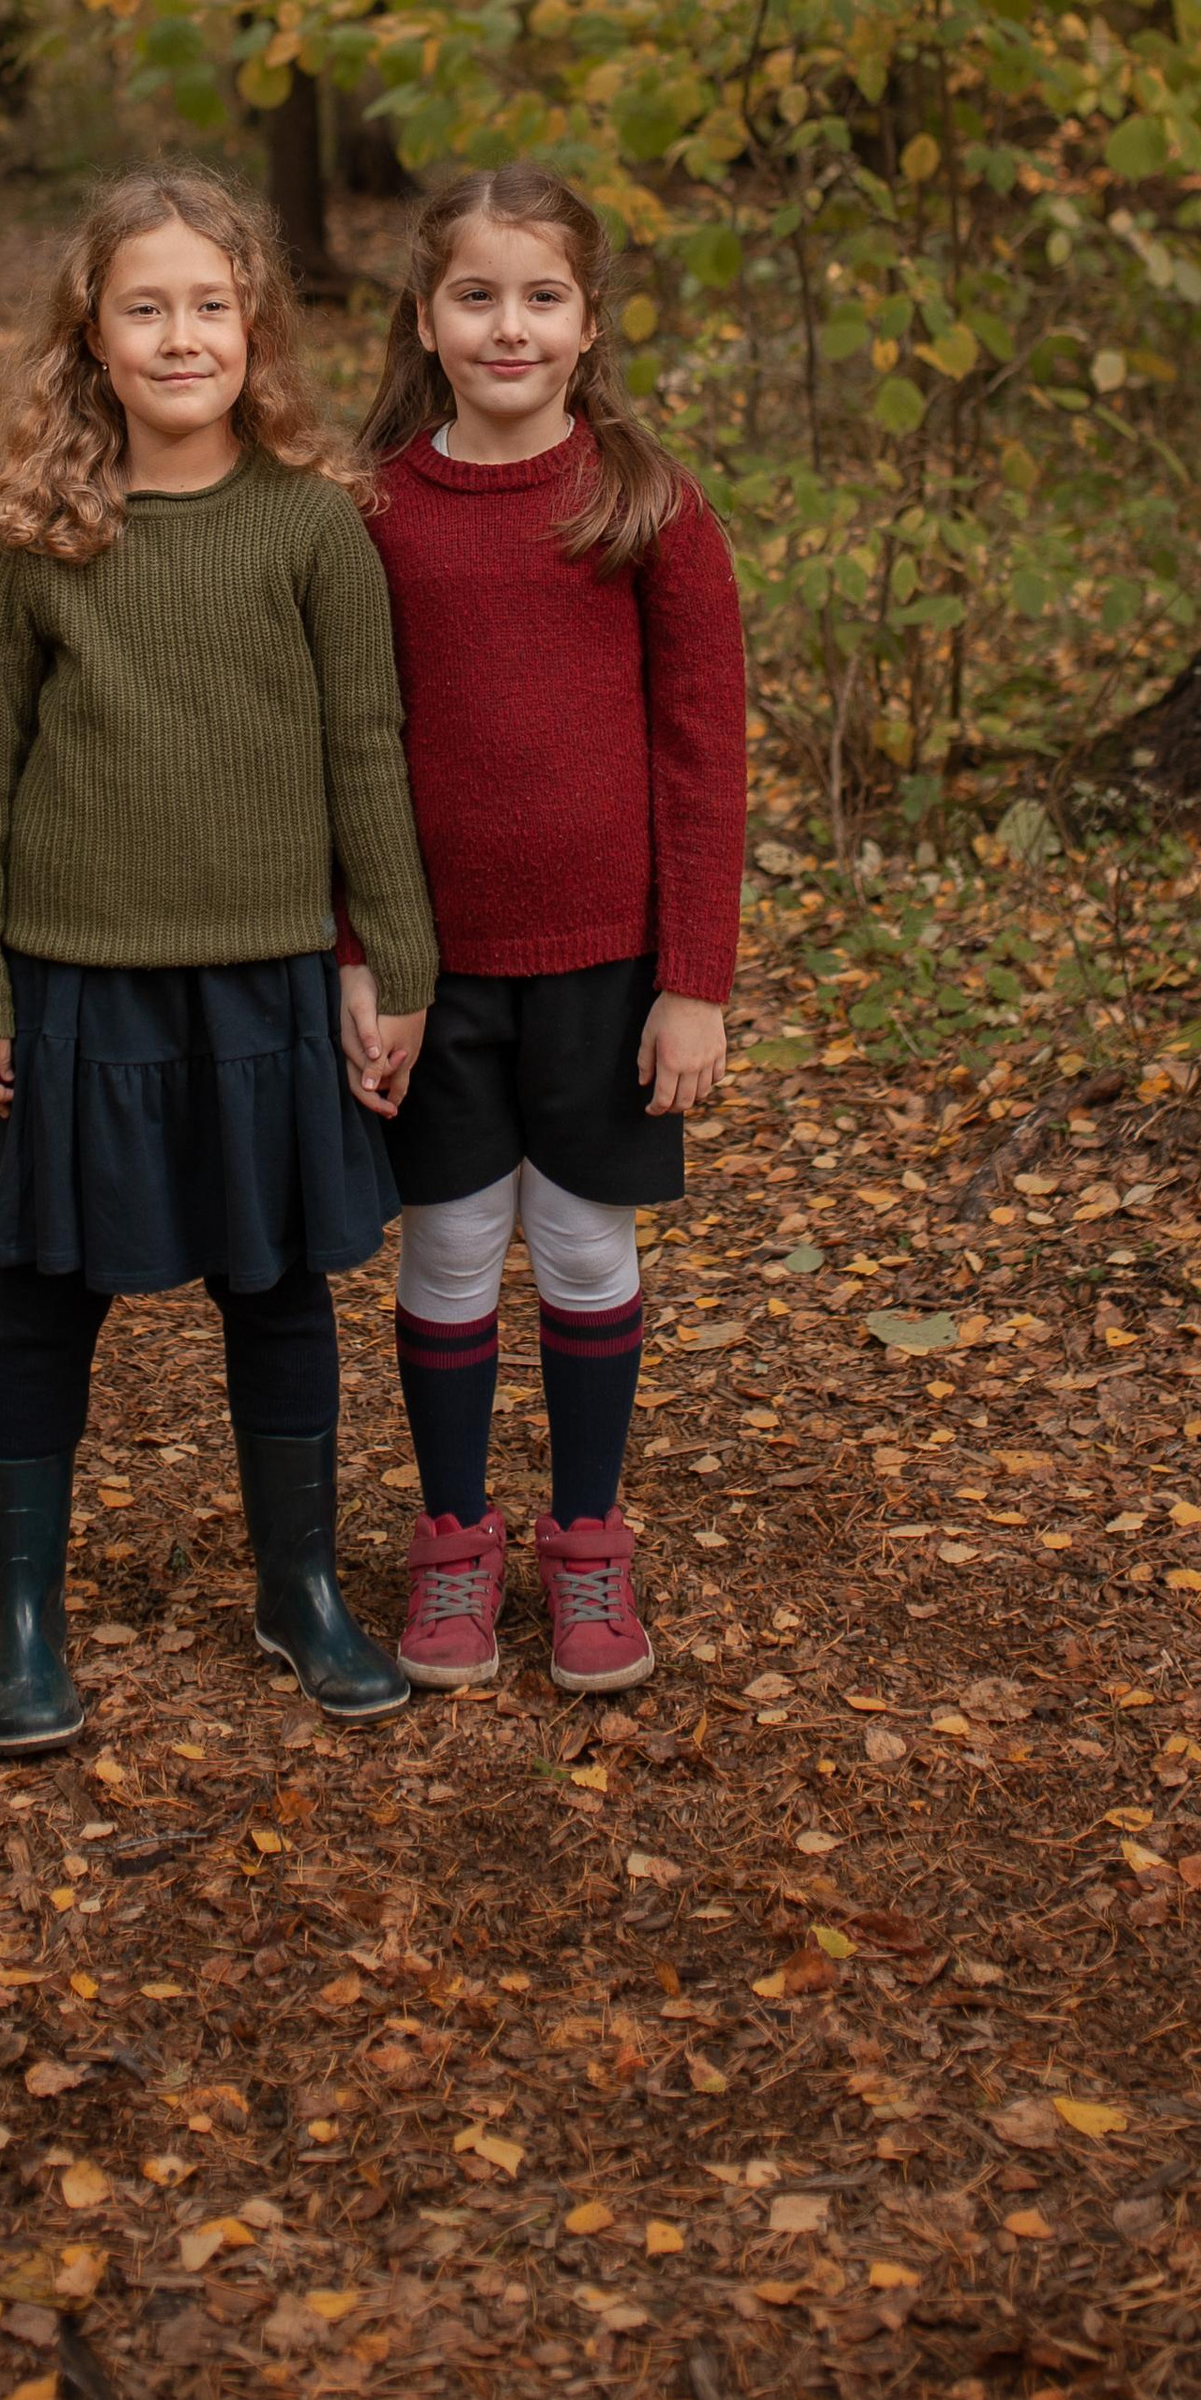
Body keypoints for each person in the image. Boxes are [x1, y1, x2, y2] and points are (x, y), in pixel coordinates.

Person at [0, 166, 436, 1753]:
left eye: (210, 304)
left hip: (268, 981)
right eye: (144, 306)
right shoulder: (45, 539)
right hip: (77, 981)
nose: (179, 334)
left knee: (279, 1290)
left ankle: (299, 1589)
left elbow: (369, 752)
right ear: (91, 330)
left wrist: (393, 962)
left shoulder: (311, 524)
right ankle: (24, 1627)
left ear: (257, 325)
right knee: (43, 1299)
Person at [346, 163, 746, 1694]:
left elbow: (705, 751)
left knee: (581, 1243)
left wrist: (693, 981)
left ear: (586, 324)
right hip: (431, 970)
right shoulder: (374, 513)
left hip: (607, 962)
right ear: (428, 318)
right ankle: (455, 1537)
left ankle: (588, 1541)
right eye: (476, 294)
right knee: (447, 1247)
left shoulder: (645, 505)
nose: (508, 324)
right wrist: (359, 954)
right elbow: (349, 747)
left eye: (542, 295)